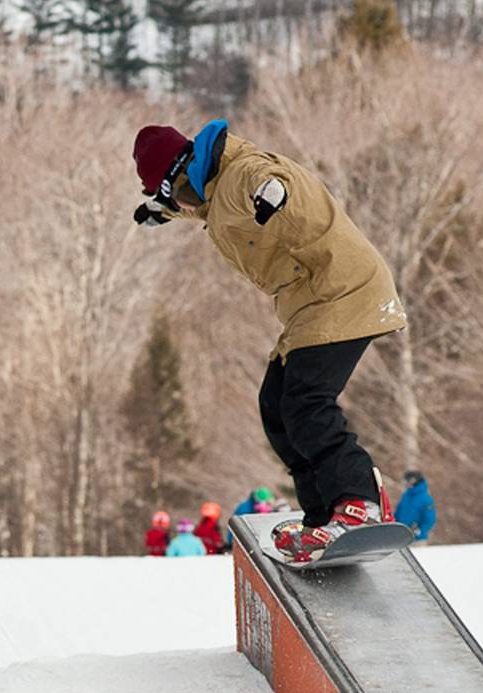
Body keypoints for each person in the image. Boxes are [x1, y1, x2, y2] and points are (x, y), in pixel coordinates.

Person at [134, 119, 407, 564]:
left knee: (306, 402)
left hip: (342, 292)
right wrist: (163, 211)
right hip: (312, 303)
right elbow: (205, 205)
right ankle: (323, 517)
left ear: (183, 175)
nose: (182, 204)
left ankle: (358, 503)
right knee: (276, 407)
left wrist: (272, 194)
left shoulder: (244, 172)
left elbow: (267, 178)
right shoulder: (210, 187)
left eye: (175, 195)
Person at [393, 470, 437, 542]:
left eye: (407, 481)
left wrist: (420, 531)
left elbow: (430, 519)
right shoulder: (405, 496)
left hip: (417, 540)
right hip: (401, 538)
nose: (405, 483)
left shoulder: (425, 498)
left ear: (413, 481)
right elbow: (397, 513)